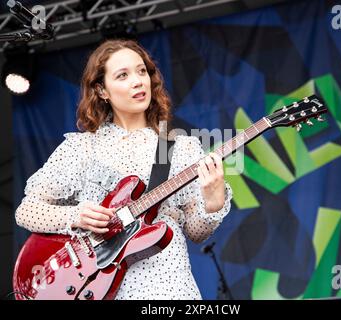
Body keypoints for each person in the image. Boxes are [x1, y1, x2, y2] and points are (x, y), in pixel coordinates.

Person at [15, 39, 232, 300]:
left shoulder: (178, 147)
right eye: (123, 75)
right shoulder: (82, 147)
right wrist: (76, 216)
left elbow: (196, 233)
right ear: (102, 90)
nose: (138, 81)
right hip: (98, 287)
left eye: (142, 71)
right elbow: (27, 211)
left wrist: (213, 202)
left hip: (169, 289)